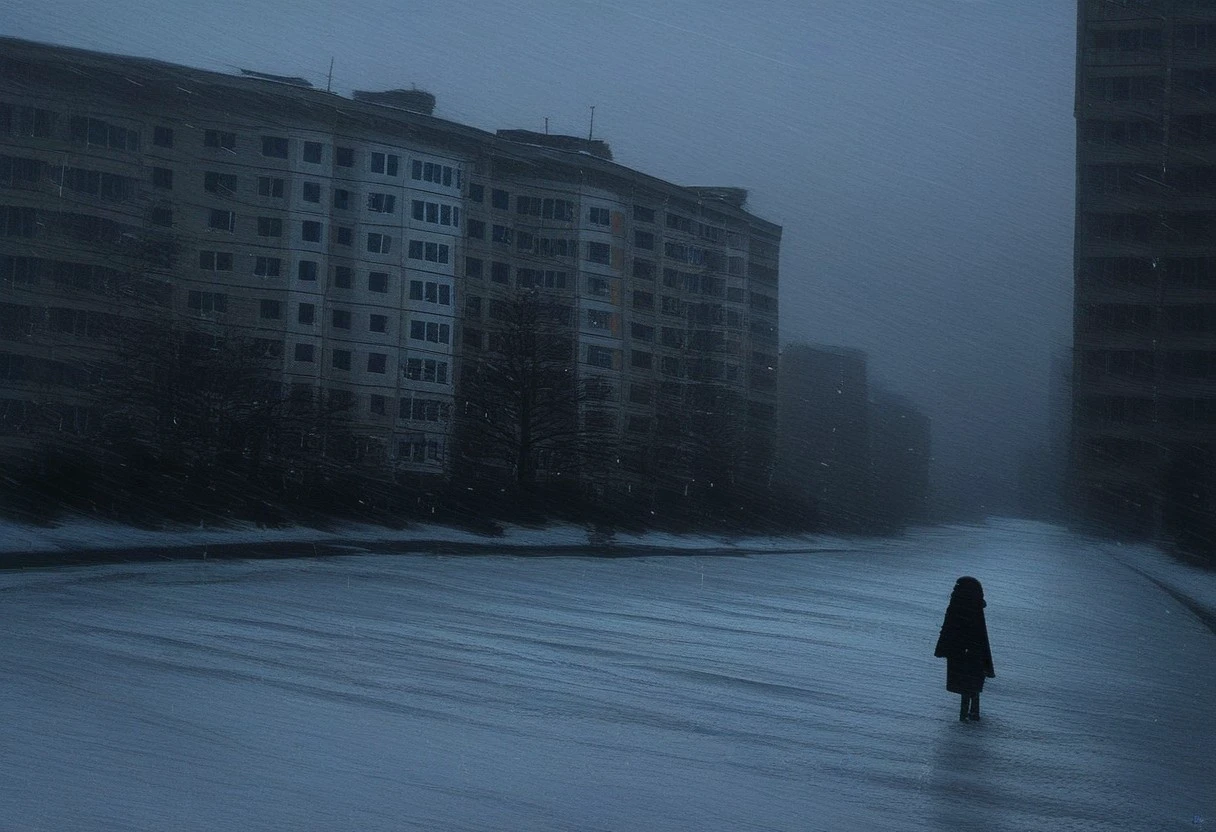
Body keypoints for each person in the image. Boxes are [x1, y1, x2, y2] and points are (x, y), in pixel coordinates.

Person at [933, 576, 995, 722]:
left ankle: (966, 714)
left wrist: (942, 648)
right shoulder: (974, 607)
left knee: (965, 685)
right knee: (972, 685)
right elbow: (980, 633)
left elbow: (948, 627)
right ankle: (973, 713)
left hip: (959, 652)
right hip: (973, 652)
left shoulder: (957, 605)